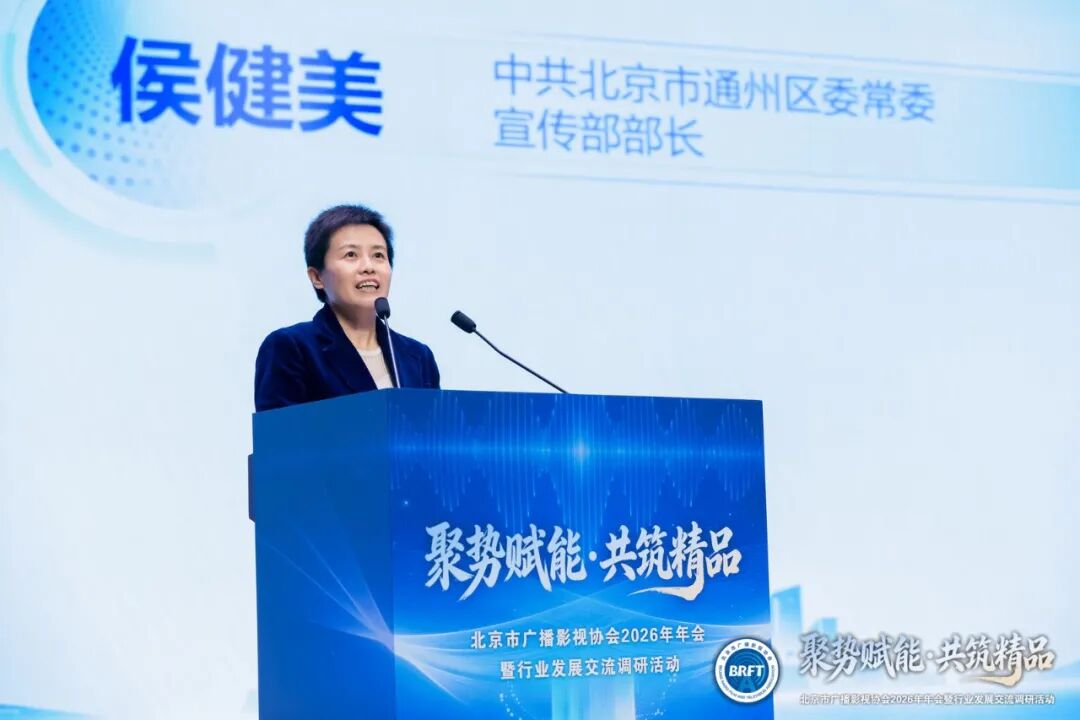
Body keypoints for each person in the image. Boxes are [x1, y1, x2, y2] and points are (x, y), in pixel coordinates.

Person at [254, 204, 440, 411]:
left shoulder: (418, 356)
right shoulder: (291, 348)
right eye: (351, 255)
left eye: (378, 255)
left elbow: (433, 430)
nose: (368, 267)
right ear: (317, 277)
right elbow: (281, 430)